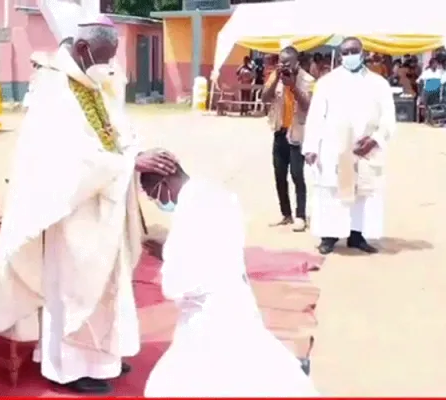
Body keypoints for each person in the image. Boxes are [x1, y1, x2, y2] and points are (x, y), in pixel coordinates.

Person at [0, 15, 180, 394]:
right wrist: (129, 163)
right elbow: (62, 158)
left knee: (107, 285)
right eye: (105, 56)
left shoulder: (90, 82)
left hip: (103, 200)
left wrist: (138, 153)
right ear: (85, 48)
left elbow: (115, 133)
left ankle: (102, 357)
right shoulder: (53, 86)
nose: (109, 66)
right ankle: (68, 368)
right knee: (72, 289)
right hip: (70, 209)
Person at [140, 167, 318, 397]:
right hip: (236, 296)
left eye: (152, 194)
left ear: (163, 184)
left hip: (206, 314)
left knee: (175, 383)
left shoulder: (187, 211)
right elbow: (212, 247)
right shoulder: (214, 193)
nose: (157, 201)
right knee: (253, 359)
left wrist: (169, 259)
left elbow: (177, 285)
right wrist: (168, 251)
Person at [302, 36, 396, 255]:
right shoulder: (327, 82)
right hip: (335, 148)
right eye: (345, 52)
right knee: (331, 192)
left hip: (365, 148)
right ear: (340, 54)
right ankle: (329, 236)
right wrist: (311, 147)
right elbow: (316, 116)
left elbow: (388, 117)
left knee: (363, 192)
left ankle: (357, 235)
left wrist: (375, 139)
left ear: (362, 53)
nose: (349, 55)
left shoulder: (378, 83)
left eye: (354, 51)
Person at [261, 46, 314, 232]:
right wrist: (276, 79)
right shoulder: (275, 77)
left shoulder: (307, 80)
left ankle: (300, 216)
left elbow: (308, 106)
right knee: (279, 175)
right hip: (279, 131)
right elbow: (264, 99)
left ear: (296, 62)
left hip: (297, 133)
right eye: (281, 62)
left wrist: (293, 86)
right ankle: (286, 214)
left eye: (287, 63)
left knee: (297, 176)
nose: (283, 65)